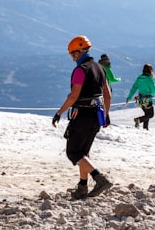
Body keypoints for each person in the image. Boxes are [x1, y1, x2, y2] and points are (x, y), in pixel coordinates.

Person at [52, 35, 113, 199]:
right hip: (96, 115)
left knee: (74, 152)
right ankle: (82, 187)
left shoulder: (81, 70)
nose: (72, 59)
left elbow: (74, 95)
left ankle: (99, 178)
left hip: (82, 115)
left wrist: (59, 113)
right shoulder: (101, 69)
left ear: (78, 52)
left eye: (73, 55)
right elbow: (107, 95)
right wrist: (106, 115)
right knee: (84, 153)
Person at [126, 64, 155, 130]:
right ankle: (138, 120)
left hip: (140, 100)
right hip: (147, 100)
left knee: (147, 114)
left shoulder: (139, 78)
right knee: (150, 114)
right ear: (151, 71)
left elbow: (134, 88)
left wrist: (129, 98)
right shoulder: (150, 79)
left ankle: (145, 128)